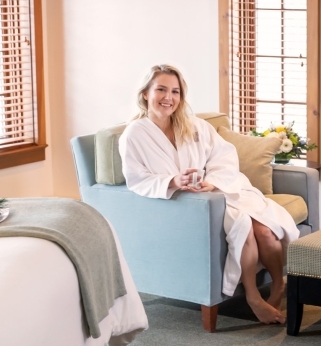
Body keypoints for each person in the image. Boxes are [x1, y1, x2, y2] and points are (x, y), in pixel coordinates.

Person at [119, 64, 298, 324]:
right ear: (146, 93)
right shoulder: (134, 134)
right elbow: (136, 179)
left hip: (221, 189)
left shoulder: (194, 126)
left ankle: (279, 285)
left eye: (175, 91)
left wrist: (213, 181)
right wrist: (172, 180)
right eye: (161, 89)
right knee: (244, 225)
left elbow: (224, 156)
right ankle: (253, 297)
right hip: (190, 203)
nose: (168, 98)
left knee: (267, 231)